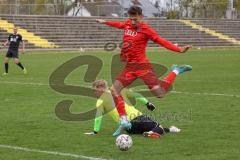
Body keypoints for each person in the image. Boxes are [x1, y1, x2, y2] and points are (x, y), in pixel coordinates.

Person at [96, 6, 192, 135]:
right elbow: (119, 24)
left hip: (143, 67)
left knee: (160, 94)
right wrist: (105, 22)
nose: (132, 21)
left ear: (141, 17)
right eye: (130, 19)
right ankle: (124, 120)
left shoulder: (147, 30)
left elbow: (161, 41)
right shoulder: (128, 24)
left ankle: (176, 71)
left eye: (135, 19)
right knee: (114, 90)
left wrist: (179, 49)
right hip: (130, 67)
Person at [85, 80, 180, 138]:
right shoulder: (119, 90)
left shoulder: (100, 101)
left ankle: (169, 130)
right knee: (159, 127)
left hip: (129, 128)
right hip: (137, 118)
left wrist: (95, 132)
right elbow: (137, 95)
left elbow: (98, 118)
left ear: (101, 88)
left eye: (95, 90)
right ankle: (152, 133)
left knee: (148, 128)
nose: (94, 93)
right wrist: (147, 103)